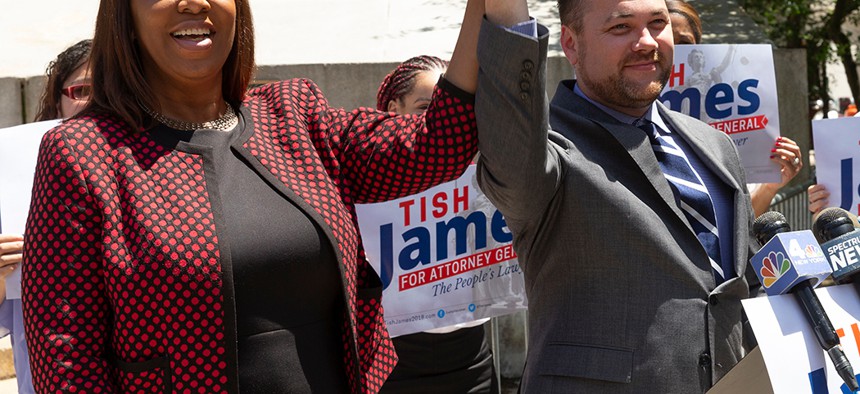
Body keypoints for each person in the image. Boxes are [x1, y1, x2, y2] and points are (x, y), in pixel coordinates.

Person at [21, 0, 484, 392]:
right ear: (125, 17)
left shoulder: (296, 114)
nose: (193, 1)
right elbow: (66, 358)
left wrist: (492, 9)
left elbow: (440, 143)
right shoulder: (82, 154)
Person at [475, 0, 758, 392]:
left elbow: (743, 286)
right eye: (621, 27)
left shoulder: (716, 146)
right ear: (571, 45)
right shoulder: (546, 149)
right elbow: (511, 142)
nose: (646, 42)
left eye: (657, 23)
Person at [375, 55, 496, 394]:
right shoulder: (365, 179)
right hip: (394, 361)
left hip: (471, 359)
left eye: (456, 110)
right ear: (393, 108)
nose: (442, 122)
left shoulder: (487, 176)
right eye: (425, 107)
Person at [0, 38, 92, 394]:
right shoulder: (11, 185)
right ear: (58, 101)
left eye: (117, 87)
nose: (99, 101)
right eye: (83, 90)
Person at [667, 0, 803, 217]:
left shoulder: (719, 134)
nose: (674, 52)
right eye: (665, 40)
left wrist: (769, 186)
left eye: (684, 44)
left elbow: (742, 225)